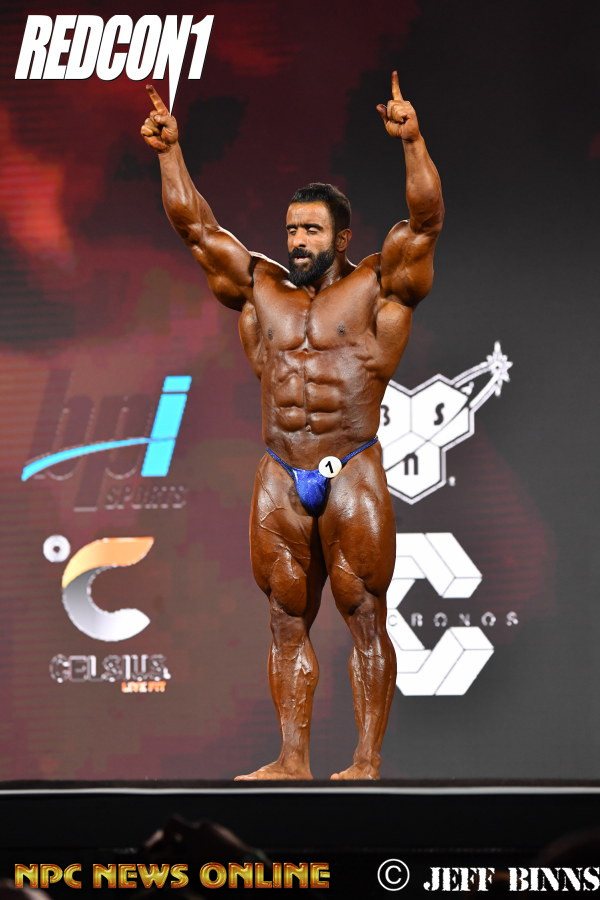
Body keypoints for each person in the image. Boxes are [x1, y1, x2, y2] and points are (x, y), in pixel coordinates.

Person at [141, 72, 444, 780]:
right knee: (284, 618)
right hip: (280, 468)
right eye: (292, 230)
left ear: (342, 236)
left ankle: (365, 762)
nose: (298, 241)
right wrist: (169, 152)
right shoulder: (260, 286)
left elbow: (426, 223)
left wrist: (412, 141)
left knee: (363, 612)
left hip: (351, 463)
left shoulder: (379, 284)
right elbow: (196, 228)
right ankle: (292, 758)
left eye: (311, 230)